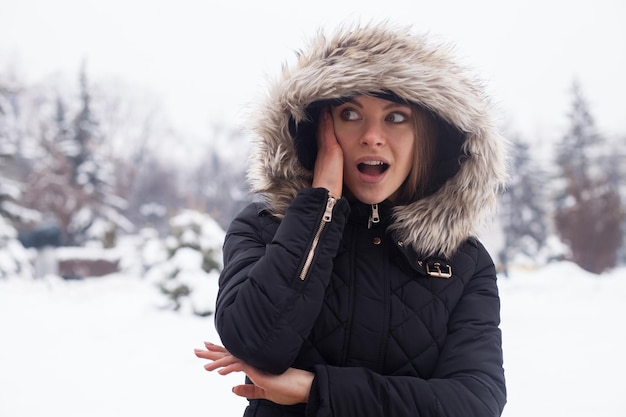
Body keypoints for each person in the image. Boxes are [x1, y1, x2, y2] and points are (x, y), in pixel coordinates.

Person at [194, 21, 508, 417]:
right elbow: (255, 344)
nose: (372, 136)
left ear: (426, 137)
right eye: (350, 113)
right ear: (320, 130)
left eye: (396, 117)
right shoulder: (265, 226)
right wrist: (321, 206)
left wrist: (316, 390)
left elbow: (476, 403)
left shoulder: (462, 261)